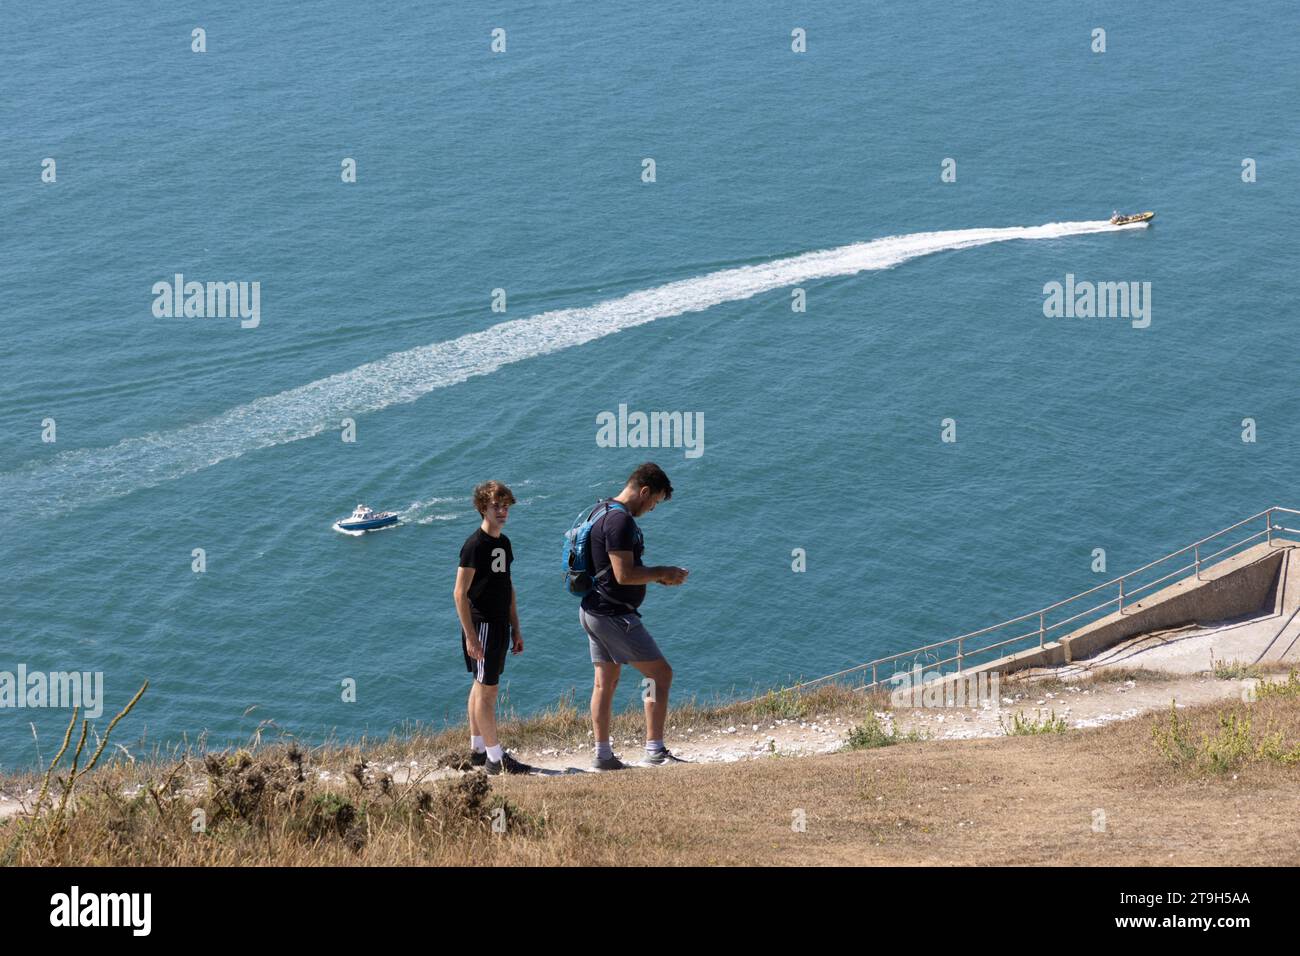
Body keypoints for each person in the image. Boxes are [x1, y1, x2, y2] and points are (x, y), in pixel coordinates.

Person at [579, 462, 689, 770]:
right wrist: (661, 573)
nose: (652, 509)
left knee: (605, 683)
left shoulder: (599, 510)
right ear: (644, 491)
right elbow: (623, 574)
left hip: (592, 609)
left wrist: (656, 577)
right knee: (659, 675)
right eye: (654, 501)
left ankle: (603, 755)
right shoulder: (620, 522)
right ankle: (655, 750)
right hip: (614, 615)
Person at [453, 480, 534, 775]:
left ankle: (477, 750)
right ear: (482, 508)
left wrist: (516, 627)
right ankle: (495, 758)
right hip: (482, 625)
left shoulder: (504, 543)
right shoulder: (475, 545)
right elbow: (459, 593)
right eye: (496, 506)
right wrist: (472, 638)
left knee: (479, 686)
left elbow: (507, 586)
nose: (502, 511)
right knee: (488, 693)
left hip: (499, 624)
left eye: (505, 506)